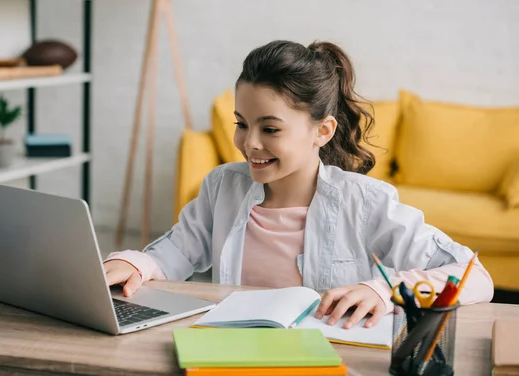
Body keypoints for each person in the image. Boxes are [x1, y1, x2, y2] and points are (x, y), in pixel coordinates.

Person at [104, 40, 494, 329]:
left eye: (270, 128)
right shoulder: (223, 186)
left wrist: (382, 290)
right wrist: (136, 261)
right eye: (242, 123)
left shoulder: (366, 202)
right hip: (233, 353)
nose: (249, 143)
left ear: (322, 131)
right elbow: (177, 250)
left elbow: (476, 276)